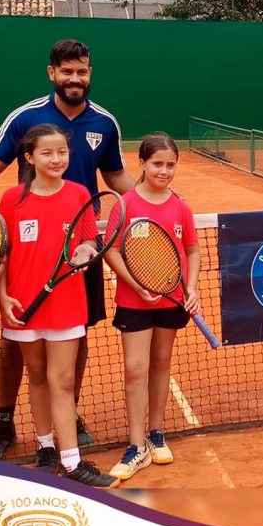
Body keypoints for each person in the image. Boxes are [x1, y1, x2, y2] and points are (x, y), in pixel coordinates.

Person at [0, 39, 135, 460]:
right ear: (52, 73)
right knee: (14, 341)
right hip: (29, 247)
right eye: (67, 72)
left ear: (90, 72)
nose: (75, 79)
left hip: (82, 247)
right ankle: (5, 419)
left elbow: (117, 178)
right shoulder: (25, 117)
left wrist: (154, 205)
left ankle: (69, 412)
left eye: (82, 71)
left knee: (77, 337)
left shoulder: (105, 123)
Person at [0, 123, 117, 487]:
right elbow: (2, 255)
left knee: (62, 380)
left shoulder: (79, 193)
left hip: (66, 302)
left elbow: (89, 240)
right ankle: (45, 447)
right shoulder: (11, 199)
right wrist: (2, 296)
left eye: (62, 152)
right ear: (29, 157)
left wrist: (86, 250)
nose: (56, 159)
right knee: (36, 376)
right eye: (47, 153)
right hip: (24, 305)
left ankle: (71, 461)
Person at [104, 133, 202, 480]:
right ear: (142, 163)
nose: (164, 170)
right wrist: (135, 284)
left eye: (170, 165)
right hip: (134, 301)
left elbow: (192, 250)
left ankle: (156, 433)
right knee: (135, 369)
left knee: (161, 362)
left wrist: (191, 288)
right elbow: (112, 249)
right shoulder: (125, 205)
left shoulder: (180, 206)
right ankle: (136, 446)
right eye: (157, 163)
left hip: (171, 299)